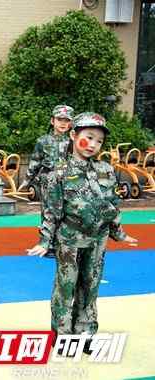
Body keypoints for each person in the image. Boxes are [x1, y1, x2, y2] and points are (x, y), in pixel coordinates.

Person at [26, 112, 137, 354]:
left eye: (99, 141)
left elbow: (111, 205)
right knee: (66, 288)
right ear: (74, 135)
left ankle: (85, 333)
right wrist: (45, 240)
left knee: (90, 285)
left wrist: (119, 232)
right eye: (88, 137)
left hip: (98, 239)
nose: (93, 145)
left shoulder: (106, 170)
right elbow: (52, 212)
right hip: (70, 239)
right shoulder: (58, 173)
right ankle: (63, 336)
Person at [21, 105, 75, 258]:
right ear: (52, 121)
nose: (63, 123)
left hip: (67, 181)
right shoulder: (43, 141)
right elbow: (35, 161)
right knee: (48, 212)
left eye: (66, 120)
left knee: (66, 212)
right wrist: (27, 179)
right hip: (48, 181)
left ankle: (61, 243)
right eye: (59, 119)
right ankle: (47, 243)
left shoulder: (74, 141)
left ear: (70, 123)